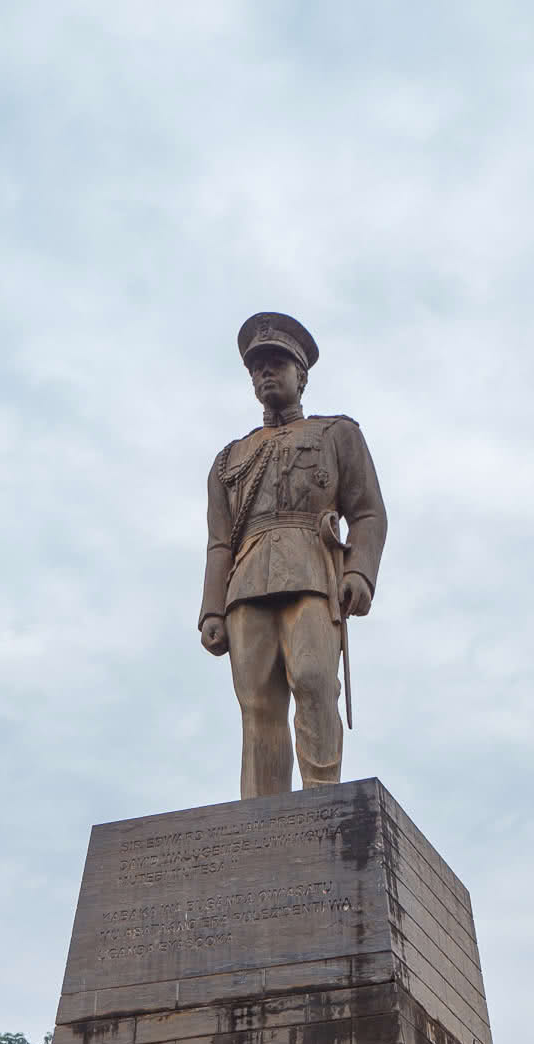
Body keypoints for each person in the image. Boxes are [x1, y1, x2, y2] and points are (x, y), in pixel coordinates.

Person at [199, 312, 387, 798]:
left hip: (312, 571)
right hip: (246, 584)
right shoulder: (229, 460)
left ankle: (322, 802)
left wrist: (361, 572)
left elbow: (367, 513)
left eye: (276, 363)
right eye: (257, 366)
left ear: (301, 375)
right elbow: (219, 542)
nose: (265, 372)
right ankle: (260, 816)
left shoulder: (337, 435)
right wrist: (211, 611)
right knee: (257, 704)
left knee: (313, 680)